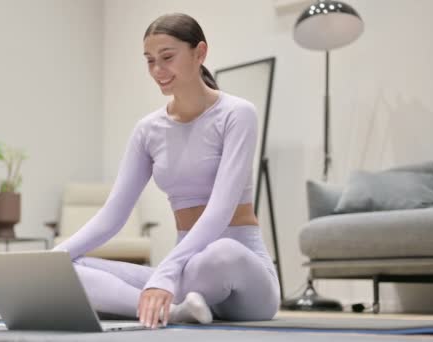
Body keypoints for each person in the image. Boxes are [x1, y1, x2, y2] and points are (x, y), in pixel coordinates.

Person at [52, 13, 280, 329]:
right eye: (150, 61)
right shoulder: (148, 130)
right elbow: (113, 215)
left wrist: (167, 272)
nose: (158, 70)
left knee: (221, 253)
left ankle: (162, 302)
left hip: (242, 277)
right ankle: (175, 312)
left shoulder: (237, 114)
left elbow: (219, 211)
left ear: (200, 53)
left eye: (167, 58)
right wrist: (50, 261)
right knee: (69, 269)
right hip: (186, 278)